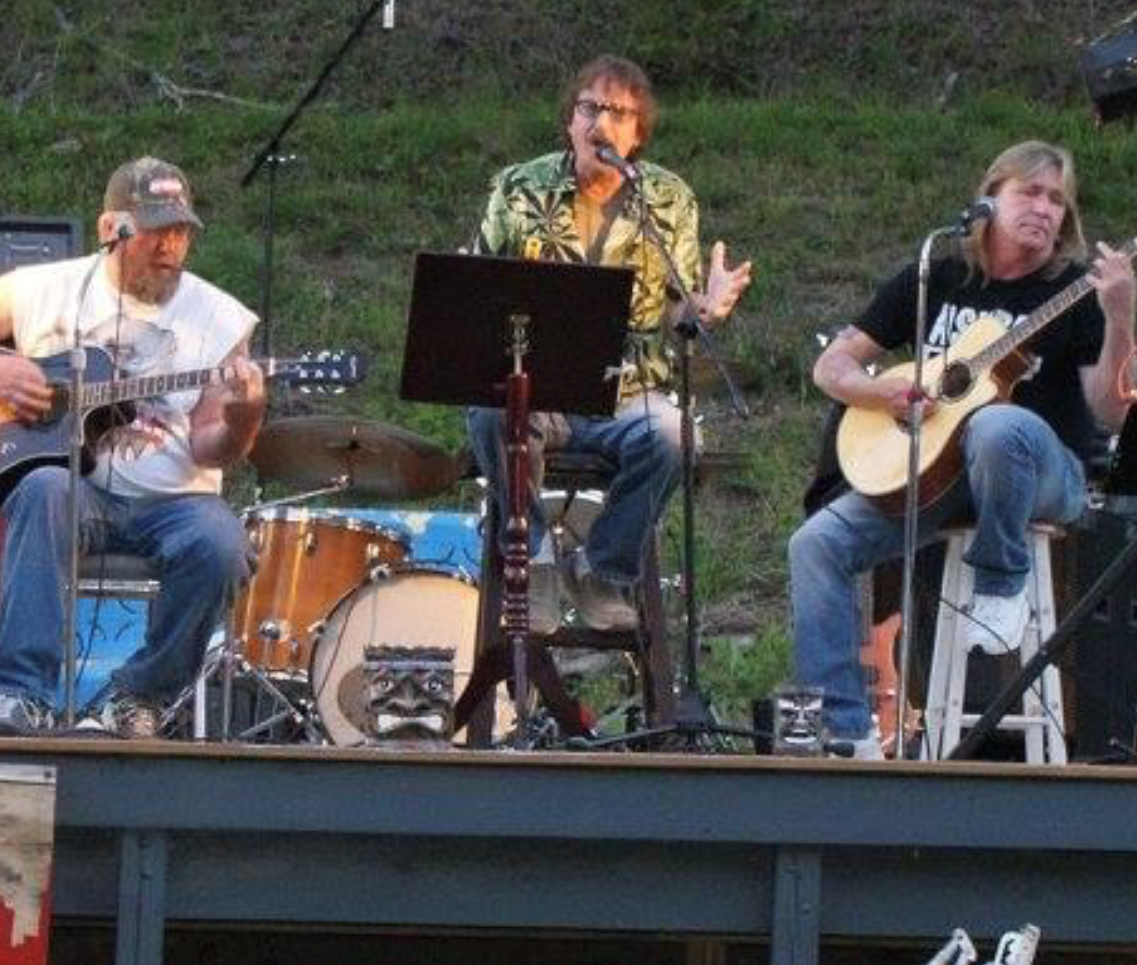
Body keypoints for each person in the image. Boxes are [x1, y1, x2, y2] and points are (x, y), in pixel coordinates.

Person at [789, 140, 1135, 758]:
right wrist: (885, 395)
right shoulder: (935, 276)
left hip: (1044, 472)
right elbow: (832, 367)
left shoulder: (1077, 292)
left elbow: (1110, 410)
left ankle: (1000, 584)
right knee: (816, 544)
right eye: (1030, 192)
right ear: (989, 198)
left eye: (1058, 200)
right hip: (934, 473)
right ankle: (846, 731)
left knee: (997, 426)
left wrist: (1120, 318)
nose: (1045, 209)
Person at [0, 157, 266, 738]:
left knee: (222, 544)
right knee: (42, 487)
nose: (171, 246)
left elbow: (213, 448)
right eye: (157, 230)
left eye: (181, 232)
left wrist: (244, 415)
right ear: (113, 228)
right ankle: (18, 696)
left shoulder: (220, 318)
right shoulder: (46, 289)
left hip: (173, 503)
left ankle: (138, 698)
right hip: (74, 488)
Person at [467, 54, 752, 633]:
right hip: (536, 386)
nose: (601, 122)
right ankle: (536, 563)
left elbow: (677, 308)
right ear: (570, 119)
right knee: (492, 414)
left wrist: (704, 308)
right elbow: (477, 282)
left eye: (618, 112)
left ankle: (604, 571)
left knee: (676, 434)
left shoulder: (668, 198)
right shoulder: (518, 187)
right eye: (589, 107)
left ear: (637, 132)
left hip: (629, 390)